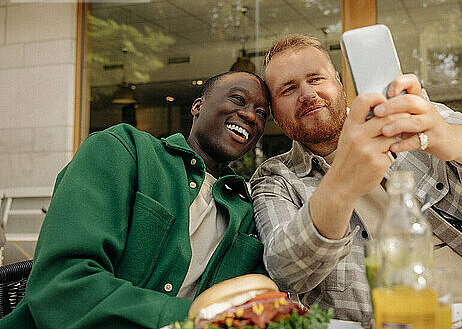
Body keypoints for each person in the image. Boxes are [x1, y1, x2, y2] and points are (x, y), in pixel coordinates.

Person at [250, 34, 462, 326]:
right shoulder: (275, 179)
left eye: (316, 79)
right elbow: (286, 269)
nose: (307, 93)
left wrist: (445, 136)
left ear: (338, 82)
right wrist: (341, 185)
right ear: (275, 114)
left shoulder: (407, 119)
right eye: (288, 89)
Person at [1, 71, 270, 328]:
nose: (249, 115)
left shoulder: (247, 212)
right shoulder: (122, 150)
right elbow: (63, 284)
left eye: (261, 114)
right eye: (238, 99)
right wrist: (198, 319)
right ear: (197, 106)